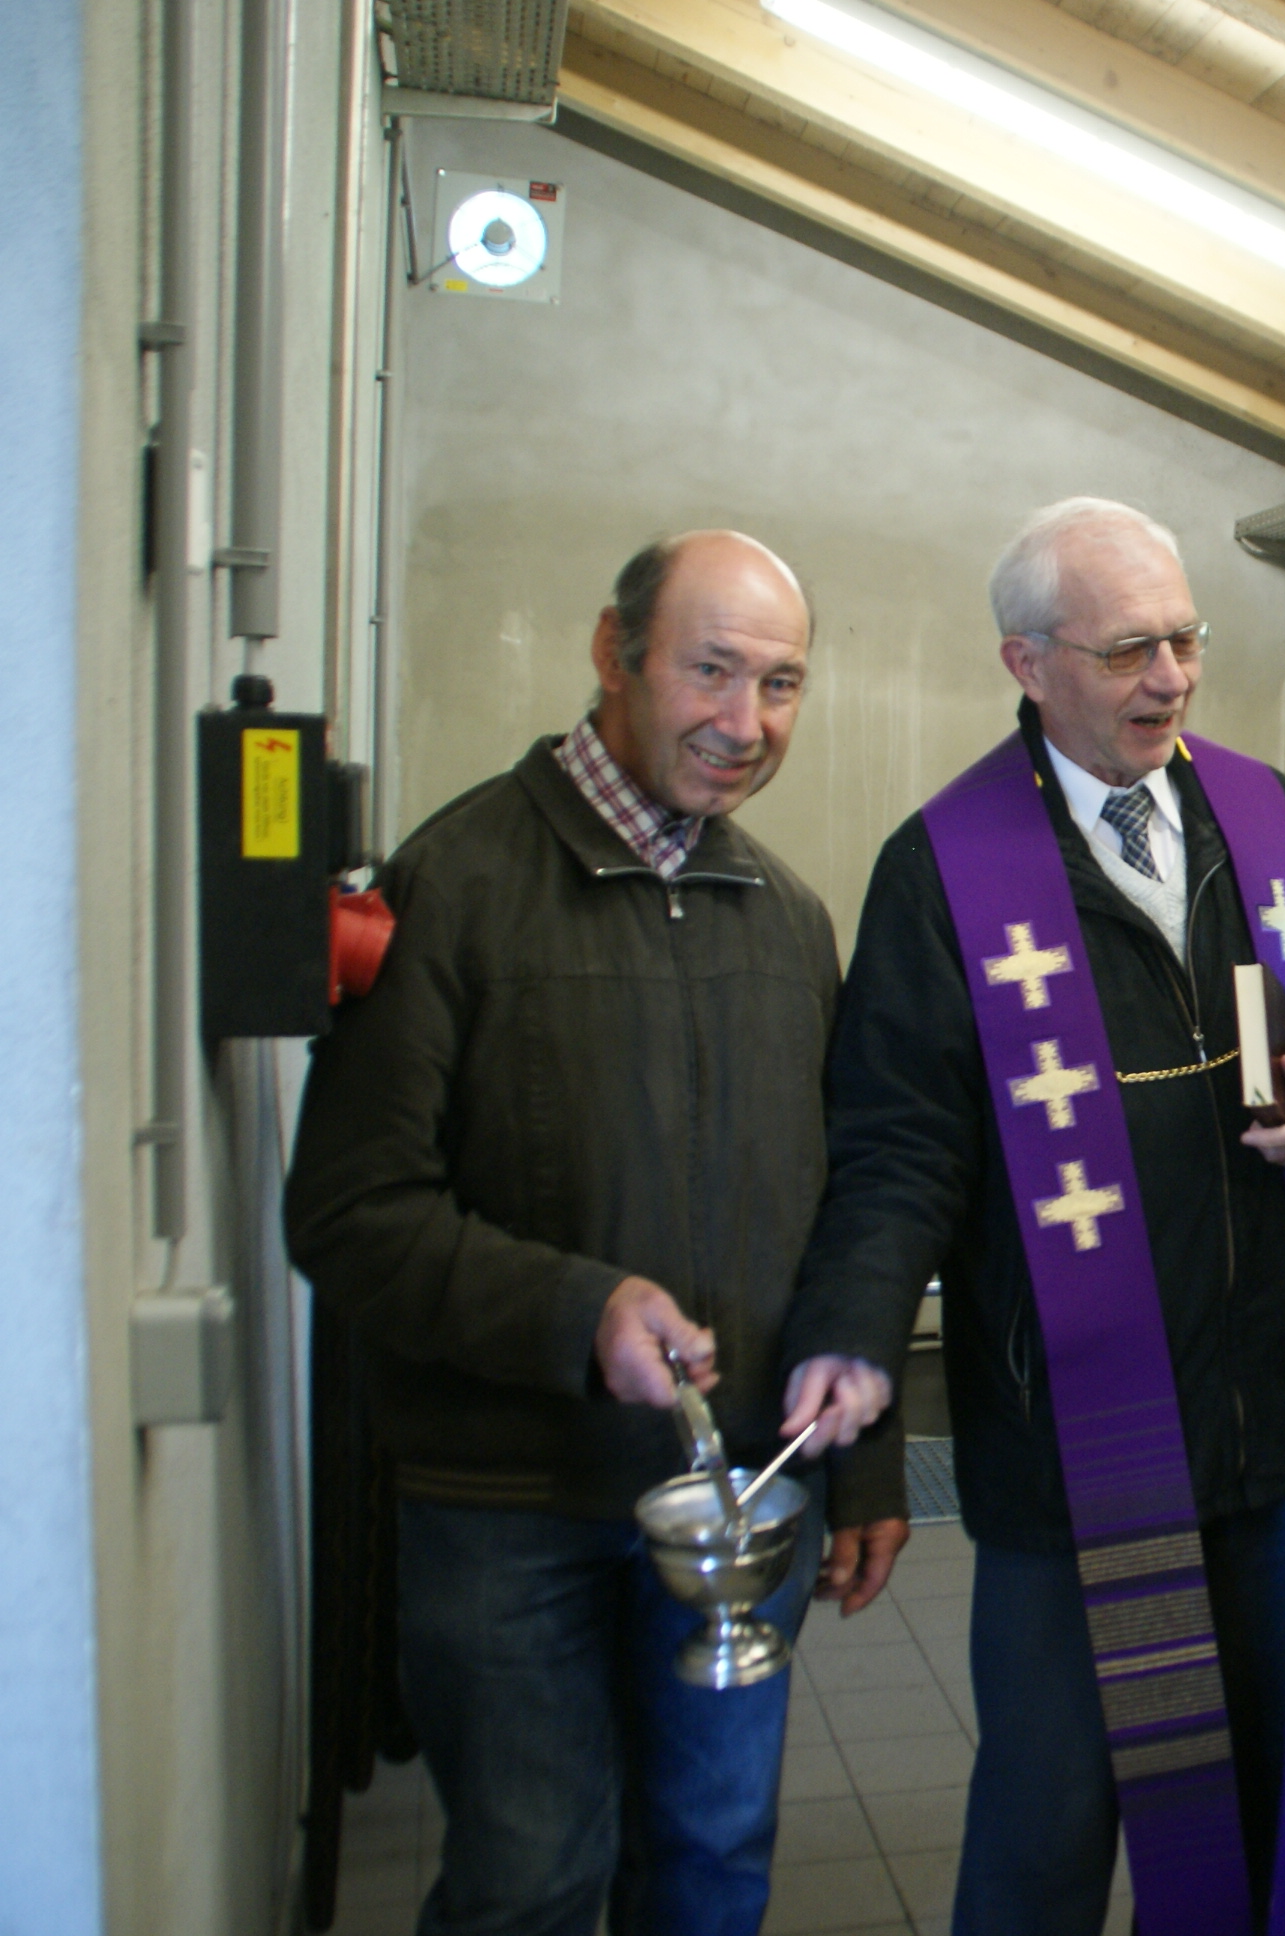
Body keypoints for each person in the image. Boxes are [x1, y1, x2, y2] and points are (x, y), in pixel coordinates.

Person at [781, 498, 1285, 1934]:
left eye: (1185, 638)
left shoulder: (1270, 818)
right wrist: (855, 1347)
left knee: (1248, 1817)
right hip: (1071, 1447)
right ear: (1027, 661)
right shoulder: (945, 869)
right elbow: (895, 1146)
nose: (1172, 677)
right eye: (1129, 649)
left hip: (1265, 1428)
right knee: (1047, 1830)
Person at [286, 529, 906, 1934]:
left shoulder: (788, 919)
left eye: (782, 684)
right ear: (611, 656)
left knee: (711, 1863)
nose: (746, 721)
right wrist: (582, 1312)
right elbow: (349, 1211)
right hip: (508, 1510)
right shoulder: (454, 888)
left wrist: (860, 1470)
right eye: (711, 670)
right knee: (532, 1881)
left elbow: (845, 1202)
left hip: (737, 1499)